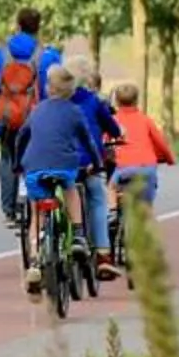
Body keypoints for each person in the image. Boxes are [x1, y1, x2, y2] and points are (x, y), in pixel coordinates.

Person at [15, 62, 106, 298]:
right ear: (71, 90)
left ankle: (34, 262)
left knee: (37, 213)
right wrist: (98, 163)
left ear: (48, 88)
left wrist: (17, 164)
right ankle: (77, 234)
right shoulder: (74, 111)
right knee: (71, 190)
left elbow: (21, 137)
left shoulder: (37, 111)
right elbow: (87, 140)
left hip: (34, 168)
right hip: (65, 167)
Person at [0, 7, 61, 221]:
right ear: (38, 27)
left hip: (9, 118)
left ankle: (9, 209)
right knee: (38, 157)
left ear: (17, 25)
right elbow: (58, 86)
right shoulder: (48, 56)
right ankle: (39, 204)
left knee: (8, 156)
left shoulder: (0, 55)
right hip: (40, 118)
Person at [68, 59, 128, 271]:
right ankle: (103, 255)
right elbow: (112, 127)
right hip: (89, 163)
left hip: (62, 162)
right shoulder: (93, 101)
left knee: (62, 194)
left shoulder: (56, 102)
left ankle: (63, 239)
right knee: (97, 199)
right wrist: (119, 134)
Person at [107, 79, 177, 236]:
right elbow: (160, 143)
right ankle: (151, 238)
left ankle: (112, 213)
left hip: (123, 168)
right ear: (137, 100)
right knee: (147, 207)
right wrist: (169, 159)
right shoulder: (146, 120)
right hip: (147, 168)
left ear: (116, 101)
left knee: (111, 187)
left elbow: (105, 140)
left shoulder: (113, 121)